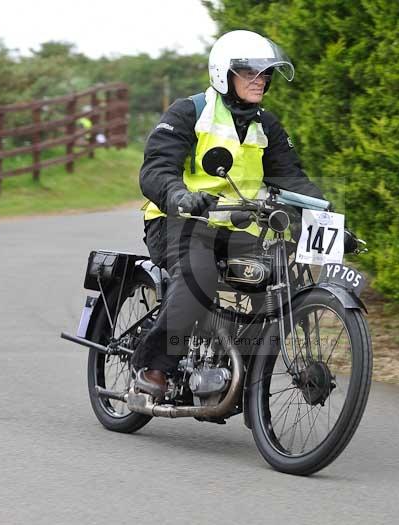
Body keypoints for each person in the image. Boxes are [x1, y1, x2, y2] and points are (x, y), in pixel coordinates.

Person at [132, 30, 326, 400]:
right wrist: (179, 194)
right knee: (199, 276)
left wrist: (329, 216)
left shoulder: (265, 125)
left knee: (277, 275)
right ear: (224, 73)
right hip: (179, 221)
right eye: (250, 71)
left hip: (236, 228)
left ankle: (244, 370)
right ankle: (155, 365)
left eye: (266, 72)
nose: (261, 79)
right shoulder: (190, 112)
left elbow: (293, 179)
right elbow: (155, 169)